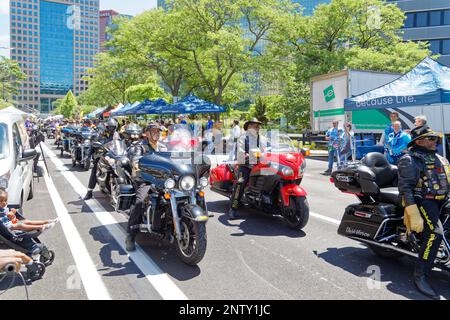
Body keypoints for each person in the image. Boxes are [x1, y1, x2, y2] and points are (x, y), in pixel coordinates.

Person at [398, 125, 449, 300]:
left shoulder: (440, 159)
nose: (436, 141)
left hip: (443, 199)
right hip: (424, 201)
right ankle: (421, 274)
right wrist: (413, 213)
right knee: (435, 233)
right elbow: (406, 188)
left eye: (436, 139)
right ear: (419, 141)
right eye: (431, 138)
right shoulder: (410, 159)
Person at [125, 123, 167, 251]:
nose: (156, 133)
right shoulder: (140, 146)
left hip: (162, 179)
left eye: (158, 131)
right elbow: (136, 160)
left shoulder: (163, 147)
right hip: (145, 178)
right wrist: (137, 164)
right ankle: (131, 234)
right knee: (139, 201)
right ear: (147, 133)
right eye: (153, 131)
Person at [228, 118, 267, 220]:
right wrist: (248, 157)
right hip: (246, 165)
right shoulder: (243, 138)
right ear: (249, 127)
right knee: (240, 183)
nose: (257, 127)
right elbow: (240, 152)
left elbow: (268, 150)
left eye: (258, 125)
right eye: (255, 125)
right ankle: (233, 209)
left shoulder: (263, 138)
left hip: (260, 165)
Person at [84, 118, 118, 200]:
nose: (111, 129)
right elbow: (93, 145)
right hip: (101, 156)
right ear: (106, 127)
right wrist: (88, 155)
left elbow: (122, 144)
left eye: (113, 127)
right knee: (95, 169)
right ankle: (89, 192)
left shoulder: (117, 135)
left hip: (114, 156)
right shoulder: (100, 135)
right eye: (110, 127)